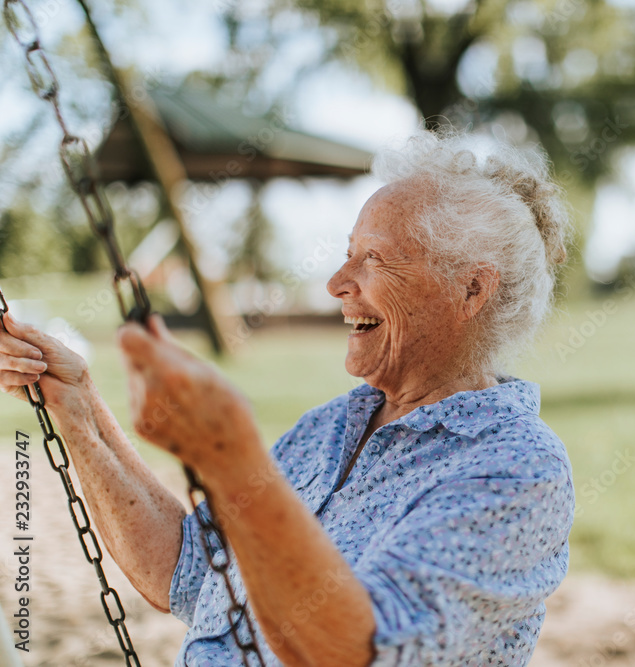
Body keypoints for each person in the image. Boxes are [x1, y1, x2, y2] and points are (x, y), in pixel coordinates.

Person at [0, 130, 575, 666]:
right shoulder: (331, 427)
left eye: (373, 258)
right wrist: (74, 404)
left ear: (470, 289)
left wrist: (232, 457)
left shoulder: (514, 468)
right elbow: (192, 572)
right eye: (349, 251)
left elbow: (356, 650)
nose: (336, 282)